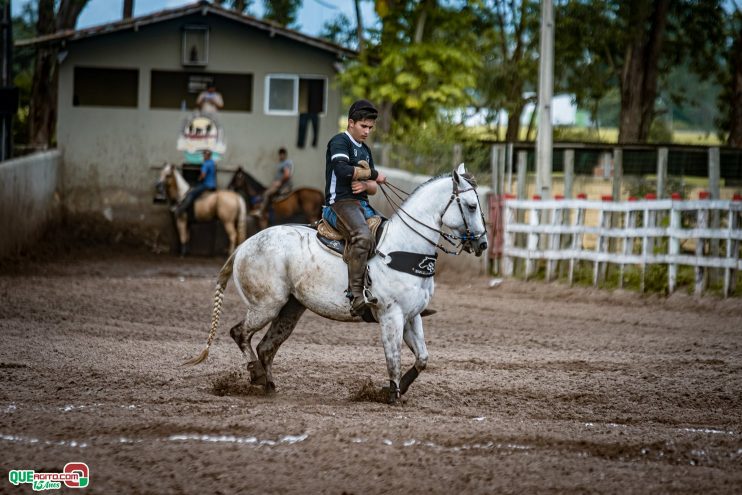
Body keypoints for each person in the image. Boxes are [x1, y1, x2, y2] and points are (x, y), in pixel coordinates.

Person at [323, 99, 387, 317]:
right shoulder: (340, 142)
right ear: (351, 123)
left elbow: (372, 189)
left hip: (362, 205)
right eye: (363, 126)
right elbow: (341, 170)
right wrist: (374, 176)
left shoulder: (366, 150)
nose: (367, 131)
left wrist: (366, 184)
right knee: (362, 236)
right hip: (339, 203)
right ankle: (356, 296)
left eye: (370, 127)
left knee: (389, 233)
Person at [173, 149, 217, 216]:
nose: (204, 156)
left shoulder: (206, 163)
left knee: (191, 193)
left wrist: (198, 179)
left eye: (204, 155)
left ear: (207, 156)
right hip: (213, 185)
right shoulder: (212, 162)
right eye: (204, 155)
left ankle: (180, 210)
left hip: (206, 185)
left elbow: (203, 175)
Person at [256, 148, 294, 217]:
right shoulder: (281, 163)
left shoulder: (286, 163)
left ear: (285, 155)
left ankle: (260, 212)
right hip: (280, 185)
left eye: (282, 154)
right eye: (280, 154)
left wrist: (279, 182)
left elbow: (287, 175)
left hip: (283, 186)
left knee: (266, 194)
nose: (281, 156)